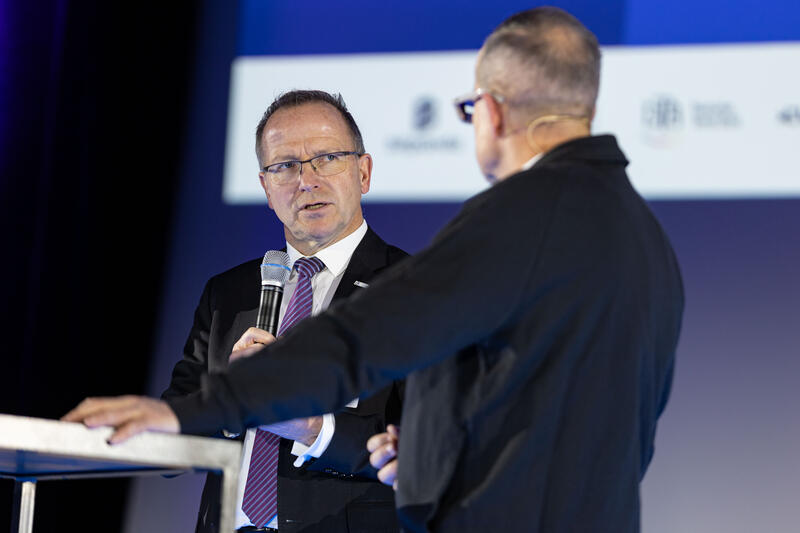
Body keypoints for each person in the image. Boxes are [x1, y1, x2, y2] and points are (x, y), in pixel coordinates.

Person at [65, 7, 684, 533]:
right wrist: (430, 457)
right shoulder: (646, 239)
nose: (305, 179)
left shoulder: (521, 214)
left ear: (492, 112)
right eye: (285, 168)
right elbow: (570, 420)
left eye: (471, 112)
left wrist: (192, 409)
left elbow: (359, 340)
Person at [162, 90, 407, 532]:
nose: (306, 180)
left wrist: (312, 427)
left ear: (363, 172)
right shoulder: (229, 293)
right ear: (266, 188)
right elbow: (179, 427)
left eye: (328, 157)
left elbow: (428, 449)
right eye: (285, 166)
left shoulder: (414, 287)